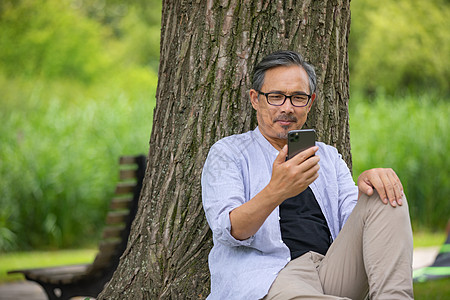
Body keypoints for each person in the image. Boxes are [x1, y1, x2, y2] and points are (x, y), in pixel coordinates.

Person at [201, 50, 414, 299]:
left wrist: (369, 187)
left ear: (310, 102)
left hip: (331, 269)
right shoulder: (229, 153)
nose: (288, 108)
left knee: (385, 192)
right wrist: (277, 190)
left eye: (298, 98)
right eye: (276, 97)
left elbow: (355, 221)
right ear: (255, 99)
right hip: (270, 275)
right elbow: (230, 230)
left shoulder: (328, 156)